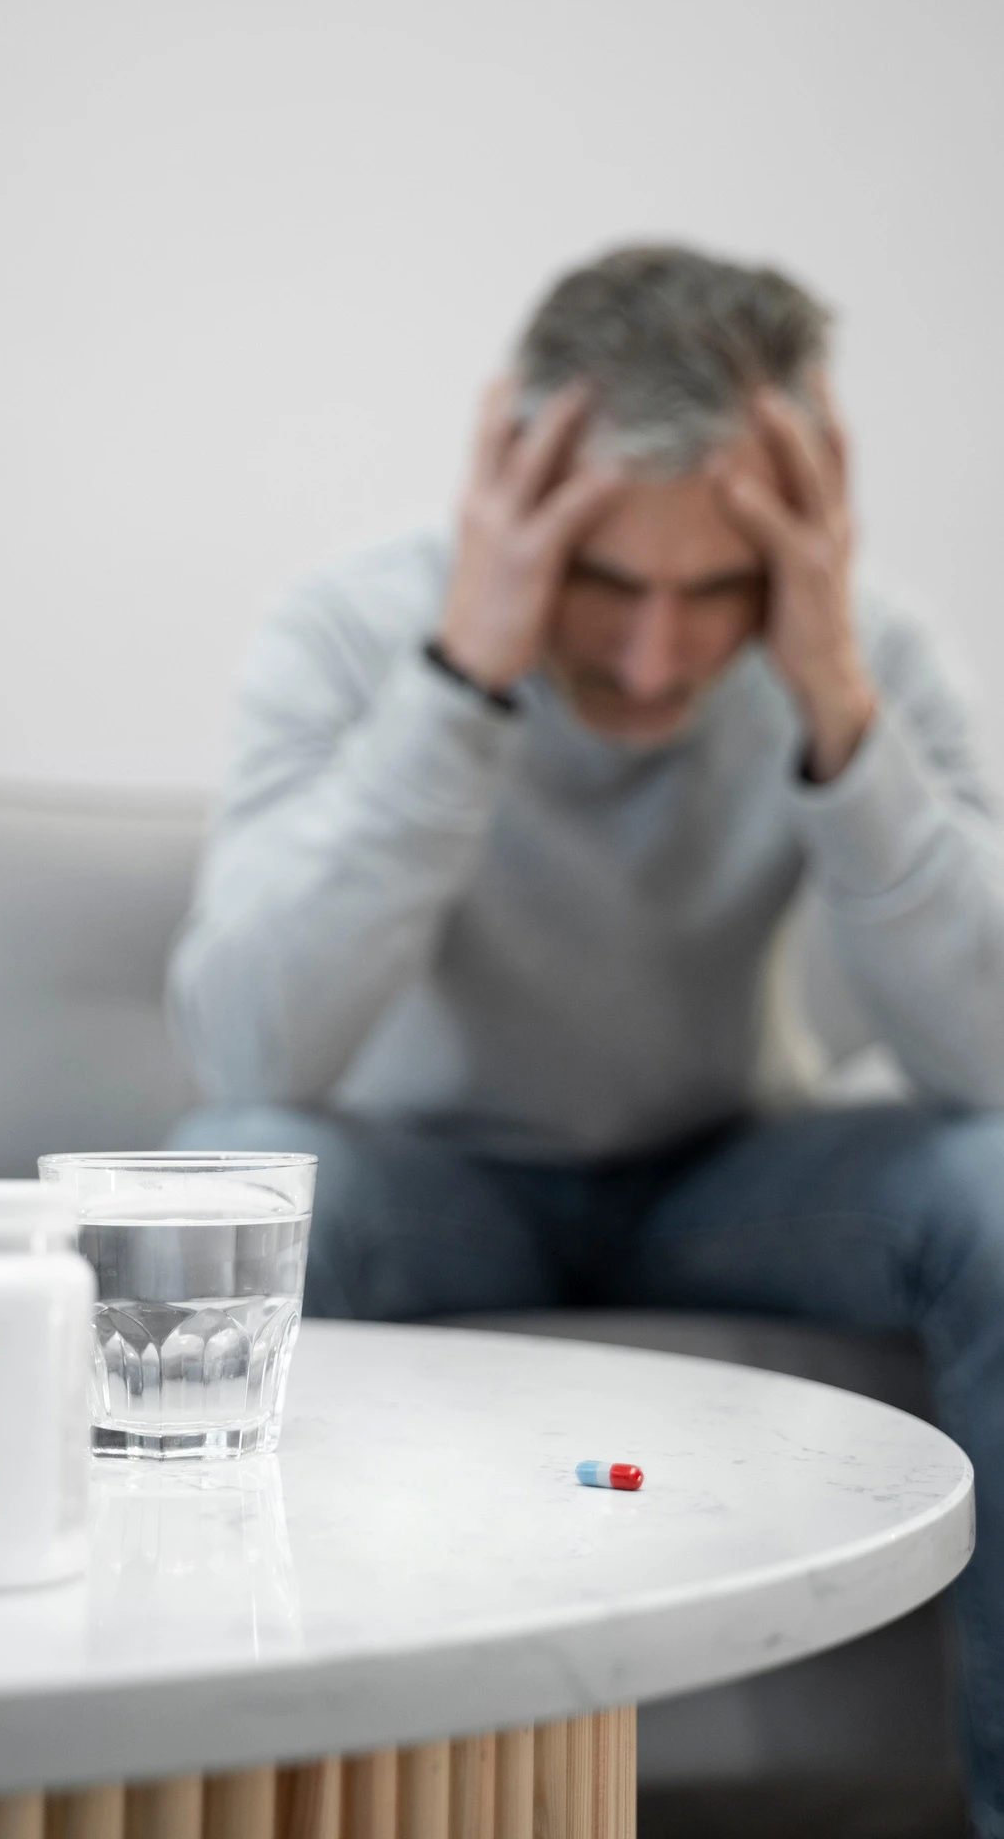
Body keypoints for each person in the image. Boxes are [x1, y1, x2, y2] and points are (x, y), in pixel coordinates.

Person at [167, 245, 1004, 1833]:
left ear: (802, 532)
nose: (655, 660)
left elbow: (987, 1062)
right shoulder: (353, 632)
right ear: (510, 487)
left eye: (718, 594)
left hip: (730, 1177)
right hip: (434, 1183)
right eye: (608, 585)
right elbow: (251, 1050)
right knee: (234, 1182)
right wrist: (464, 680)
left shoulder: (863, 650)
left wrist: (832, 698)